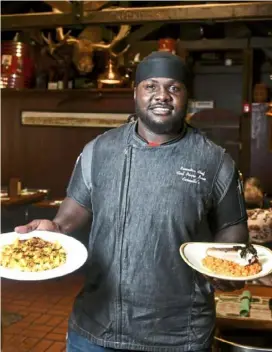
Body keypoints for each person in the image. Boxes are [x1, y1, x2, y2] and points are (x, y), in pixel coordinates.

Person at [16, 52, 249, 352]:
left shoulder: (215, 161)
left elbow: (233, 229)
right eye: (151, 86)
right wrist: (55, 228)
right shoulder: (99, 150)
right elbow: (72, 212)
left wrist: (227, 266)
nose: (162, 96)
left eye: (174, 88)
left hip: (179, 336)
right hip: (96, 329)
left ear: (187, 96)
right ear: (135, 92)